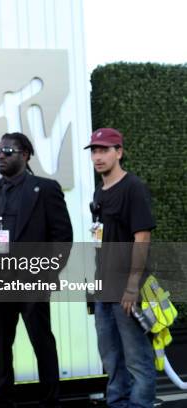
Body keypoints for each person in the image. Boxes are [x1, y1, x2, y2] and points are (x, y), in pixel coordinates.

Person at [0, 133, 73, 408]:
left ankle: (50, 400)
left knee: (41, 341)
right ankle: (4, 400)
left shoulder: (45, 189)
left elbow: (63, 238)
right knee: (0, 346)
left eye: (8, 150)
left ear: (26, 155)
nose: (1, 155)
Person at [86, 128, 156, 408]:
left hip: (127, 290)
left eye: (104, 150)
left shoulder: (133, 188)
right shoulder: (99, 191)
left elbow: (142, 238)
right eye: (94, 150)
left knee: (137, 360)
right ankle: (117, 404)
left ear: (119, 152)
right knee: (111, 359)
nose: (98, 156)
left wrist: (132, 286)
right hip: (103, 289)